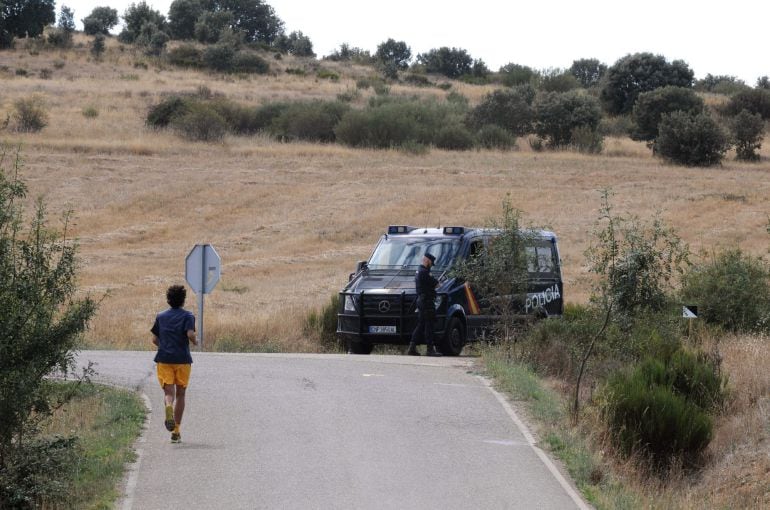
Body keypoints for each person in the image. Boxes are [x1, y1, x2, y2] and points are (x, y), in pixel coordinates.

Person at [151, 285, 197, 443]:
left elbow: (154, 339)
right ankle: (176, 431)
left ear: (168, 300)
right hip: (183, 360)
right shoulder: (188, 316)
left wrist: (165, 347)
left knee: (168, 394)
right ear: (183, 300)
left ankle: (168, 406)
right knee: (181, 394)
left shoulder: (161, 316)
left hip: (164, 359)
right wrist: (195, 341)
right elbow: (190, 333)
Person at [408, 253, 442, 357]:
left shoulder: (419, 271)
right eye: (431, 263)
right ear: (427, 261)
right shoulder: (425, 272)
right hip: (426, 302)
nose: (431, 265)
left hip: (421, 301)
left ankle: (412, 347)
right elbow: (437, 284)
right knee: (429, 325)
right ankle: (430, 349)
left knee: (421, 324)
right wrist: (439, 281)